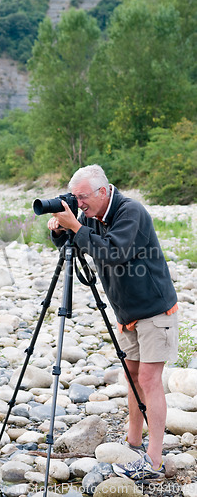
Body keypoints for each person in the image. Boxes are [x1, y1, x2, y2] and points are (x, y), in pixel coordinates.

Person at [48, 164, 178, 482]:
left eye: (82, 197)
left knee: (148, 380)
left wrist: (76, 227)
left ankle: (154, 461)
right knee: (132, 377)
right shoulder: (92, 216)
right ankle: (133, 445)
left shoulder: (130, 212)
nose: (78, 204)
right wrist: (60, 230)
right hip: (128, 314)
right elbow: (76, 246)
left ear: (103, 192)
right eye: (74, 198)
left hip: (154, 309)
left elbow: (114, 253)